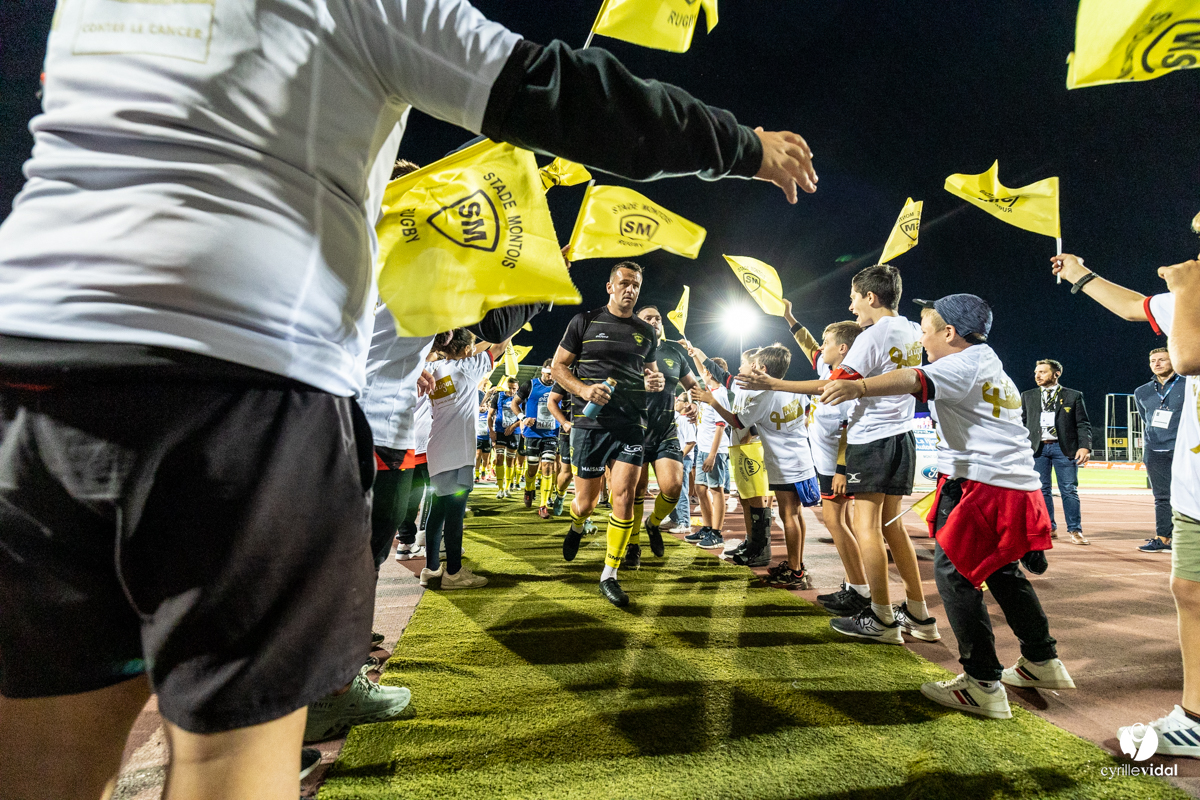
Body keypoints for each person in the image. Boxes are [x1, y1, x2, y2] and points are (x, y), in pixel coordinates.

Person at [0, 0, 821, 792]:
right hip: (236, 376)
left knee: (44, 750)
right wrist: (742, 144)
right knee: (230, 763)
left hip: (31, 370)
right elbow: (560, 92)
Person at [823, 294, 1073, 719]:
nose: (921, 340)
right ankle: (1040, 660)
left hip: (986, 485)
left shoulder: (959, 364)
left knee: (955, 576)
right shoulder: (987, 359)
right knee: (1000, 573)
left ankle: (982, 683)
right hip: (1010, 485)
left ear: (949, 333)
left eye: (925, 331)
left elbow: (910, 379)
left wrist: (858, 385)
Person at [1050, 251, 1200, 757]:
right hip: (1194, 484)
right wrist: (1082, 275)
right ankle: (1197, 717)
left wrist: (1186, 290)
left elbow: (1189, 359)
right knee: (1189, 590)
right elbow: (1135, 307)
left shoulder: (1192, 293)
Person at [740, 265, 937, 644]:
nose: (851, 307)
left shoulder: (871, 336)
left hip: (871, 440)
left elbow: (835, 387)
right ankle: (919, 613)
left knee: (866, 529)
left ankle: (880, 617)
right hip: (902, 435)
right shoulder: (913, 329)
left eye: (853, 297)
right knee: (892, 527)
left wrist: (775, 383)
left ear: (870, 297)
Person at [552, 262, 664, 606]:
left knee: (625, 495)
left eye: (636, 285)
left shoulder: (647, 333)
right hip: (589, 425)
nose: (630, 289)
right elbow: (558, 367)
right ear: (610, 287)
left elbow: (651, 374)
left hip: (631, 422)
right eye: (624, 283)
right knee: (585, 503)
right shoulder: (584, 321)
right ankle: (575, 525)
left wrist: (654, 382)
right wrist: (584, 391)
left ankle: (609, 575)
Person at [698, 344, 820, 581]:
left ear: (763, 368)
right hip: (802, 457)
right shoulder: (796, 390)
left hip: (784, 464)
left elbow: (737, 421)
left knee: (788, 516)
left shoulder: (765, 397)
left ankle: (794, 571)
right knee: (796, 515)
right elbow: (805, 414)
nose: (750, 367)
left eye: (754, 365)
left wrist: (712, 402)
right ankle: (798, 563)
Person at [780, 300, 870, 615]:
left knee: (836, 522)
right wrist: (790, 316)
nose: (822, 346)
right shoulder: (829, 367)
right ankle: (853, 583)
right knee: (840, 522)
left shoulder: (846, 382)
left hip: (837, 466)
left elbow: (850, 430)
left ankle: (859, 590)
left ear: (843, 348)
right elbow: (808, 345)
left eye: (828, 342)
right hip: (828, 463)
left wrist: (842, 470)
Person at [419, 329, 506, 590]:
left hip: (436, 449)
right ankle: (454, 573)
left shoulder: (432, 368)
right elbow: (499, 345)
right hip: (458, 454)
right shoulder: (468, 368)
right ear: (467, 350)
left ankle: (431, 569)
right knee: (455, 516)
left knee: (436, 512)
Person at [622, 305, 702, 568]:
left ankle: (652, 523)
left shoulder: (675, 350)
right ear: (637, 323)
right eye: (648, 318)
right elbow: (613, 385)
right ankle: (633, 545)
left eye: (658, 318)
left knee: (673, 487)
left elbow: (693, 385)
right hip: (633, 429)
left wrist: (693, 403)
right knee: (637, 490)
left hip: (666, 430)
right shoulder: (626, 349)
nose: (655, 321)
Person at [1020, 360, 1092, 545]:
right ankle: (1048, 527)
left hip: (1064, 448)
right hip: (1038, 448)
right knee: (1042, 489)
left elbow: (1082, 423)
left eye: (1043, 372)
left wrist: (1085, 446)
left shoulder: (1073, 395)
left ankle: (1075, 530)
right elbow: (1022, 422)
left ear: (1056, 374)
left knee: (1069, 489)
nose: (1037, 375)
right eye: (1036, 372)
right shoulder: (1028, 396)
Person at [1135, 347, 1184, 553]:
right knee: (1161, 496)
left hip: (1184, 448)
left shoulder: (1189, 384)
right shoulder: (1142, 391)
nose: (1157, 363)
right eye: (1153, 360)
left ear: (1173, 360)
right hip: (1155, 450)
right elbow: (1145, 420)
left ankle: (1189, 540)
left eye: (1162, 359)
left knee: (1191, 494)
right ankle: (1163, 538)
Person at [692, 358, 733, 550]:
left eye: (706, 371)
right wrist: (692, 353)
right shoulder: (711, 391)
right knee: (700, 489)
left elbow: (720, 427)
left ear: (711, 373)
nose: (702, 374)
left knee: (716, 491)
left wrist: (712, 455)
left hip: (714, 451)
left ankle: (716, 533)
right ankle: (707, 527)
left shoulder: (720, 394)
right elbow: (701, 370)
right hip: (703, 448)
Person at [513, 360, 561, 518]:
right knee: (532, 468)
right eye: (548, 374)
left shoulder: (559, 386)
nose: (551, 377)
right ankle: (528, 488)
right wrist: (523, 418)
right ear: (542, 371)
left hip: (551, 434)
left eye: (553, 374)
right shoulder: (530, 385)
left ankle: (543, 505)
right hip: (532, 433)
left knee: (548, 466)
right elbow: (514, 404)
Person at [489, 376, 523, 499]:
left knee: (510, 461)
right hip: (500, 431)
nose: (511, 391)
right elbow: (490, 415)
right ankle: (500, 488)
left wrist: (513, 426)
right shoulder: (498, 397)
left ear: (517, 388)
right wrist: (491, 430)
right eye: (509, 388)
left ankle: (508, 487)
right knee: (498, 458)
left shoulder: (520, 399)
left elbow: (523, 417)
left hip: (514, 432)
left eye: (514, 388)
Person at [671, 396, 700, 534]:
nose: (676, 403)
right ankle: (674, 518)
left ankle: (684, 522)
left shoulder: (686, 420)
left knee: (681, 491)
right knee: (672, 490)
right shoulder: (678, 418)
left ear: (686, 404)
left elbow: (691, 441)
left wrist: (679, 456)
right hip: (678, 458)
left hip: (684, 458)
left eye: (678, 401)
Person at [549, 383, 576, 518]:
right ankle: (560, 495)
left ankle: (584, 516)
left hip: (593, 432)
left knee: (588, 475)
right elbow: (551, 402)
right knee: (567, 474)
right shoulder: (567, 376)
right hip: (569, 433)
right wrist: (564, 422)